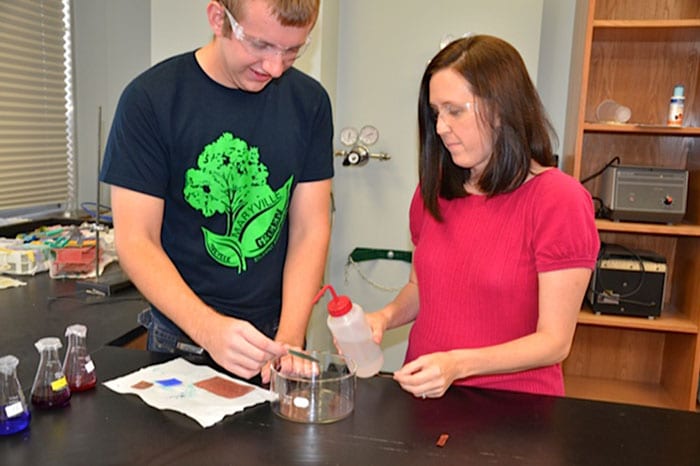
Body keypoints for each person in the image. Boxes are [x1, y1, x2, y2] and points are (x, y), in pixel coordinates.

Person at [100, 0, 333, 382]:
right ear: (217, 18)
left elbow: (310, 228)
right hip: (182, 337)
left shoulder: (310, 103)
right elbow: (136, 240)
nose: (274, 68)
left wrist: (290, 336)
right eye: (260, 45)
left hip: (276, 336)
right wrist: (209, 330)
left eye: (292, 51)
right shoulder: (151, 100)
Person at [366, 35, 599, 398]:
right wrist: (384, 317)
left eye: (454, 110)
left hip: (513, 409)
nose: (441, 127)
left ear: (502, 108)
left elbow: (554, 342)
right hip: (427, 397)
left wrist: (458, 365)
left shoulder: (559, 200)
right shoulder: (436, 190)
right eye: (435, 113)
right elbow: (420, 289)